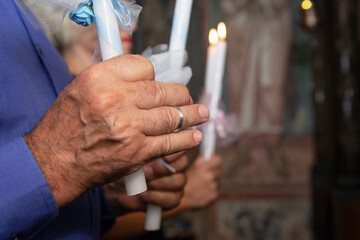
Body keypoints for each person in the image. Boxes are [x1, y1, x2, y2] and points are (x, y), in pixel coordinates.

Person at [0, 0, 209, 239]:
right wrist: (56, 162)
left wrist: (106, 196)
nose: (131, 25)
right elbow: (57, 159)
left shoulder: (28, 24)